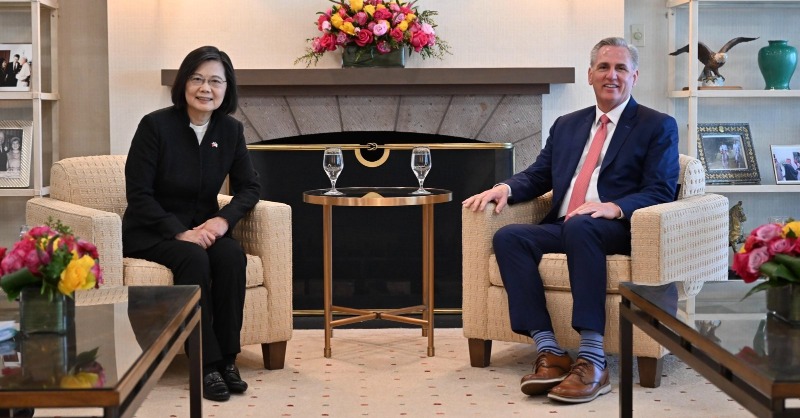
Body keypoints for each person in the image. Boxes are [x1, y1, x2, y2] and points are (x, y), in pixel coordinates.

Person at [462, 37, 679, 404]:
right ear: (590, 74)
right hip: (568, 225)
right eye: (604, 67)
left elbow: (660, 189)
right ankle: (551, 351)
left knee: (582, 225)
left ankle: (593, 359)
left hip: (616, 227)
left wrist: (614, 207)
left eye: (621, 68)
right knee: (511, 237)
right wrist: (505, 188)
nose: (612, 75)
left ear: (634, 76)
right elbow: (538, 175)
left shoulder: (657, 125)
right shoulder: (568, 124)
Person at [122, 45, 260, 402]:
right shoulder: (155, 126)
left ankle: (229, 358)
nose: (206, 88)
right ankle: (206, 363)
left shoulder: (230, 130)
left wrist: (222, 222)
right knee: (193, 259)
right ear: (184, 83)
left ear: (227, 88)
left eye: (216, 81)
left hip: (203, 229)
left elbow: (249, 187)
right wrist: (180, 231)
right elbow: (138, 194)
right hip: (153, 231)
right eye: (197, 79)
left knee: (231, 257)